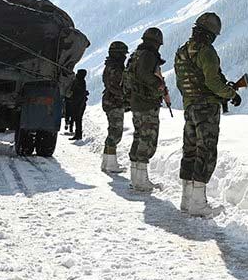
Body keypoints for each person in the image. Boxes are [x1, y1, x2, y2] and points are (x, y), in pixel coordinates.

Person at [174, 12, 240, 217]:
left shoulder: (182, 51)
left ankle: (186, 200)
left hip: (189, 106)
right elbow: (212, 81)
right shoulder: (207, 52)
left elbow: (180, 82)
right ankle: (198, 204)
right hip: (206, 109)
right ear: (211, 33)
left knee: (190, 150)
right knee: (206, 151)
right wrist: (231, 94)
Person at [124, 27, 166, 192]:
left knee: (139, 136)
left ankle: (136, 178)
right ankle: (141, 181)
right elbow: (144, 74)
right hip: (146, 102)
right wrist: (159, 85)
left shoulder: (138, 54)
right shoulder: (148, 55)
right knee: (147, 139)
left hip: (137, 101)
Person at [101, 41, 129, 173]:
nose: (124, 56)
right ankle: (111, 164)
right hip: (114, 102)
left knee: (113, 131)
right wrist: (126, 96)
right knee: (115, 133)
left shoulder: (111, 65)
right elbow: (115, 86)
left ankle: (107, 162)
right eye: (123, 54)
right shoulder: (115, 68)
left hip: (111, 101)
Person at [68, 68, 89, 141]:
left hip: (78, 103)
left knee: (77, 119)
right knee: (78, 119)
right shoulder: (81, 81)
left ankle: (78, 135)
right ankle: (77, 134)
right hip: (79, 103)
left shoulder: (79, 81)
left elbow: (78, 94)